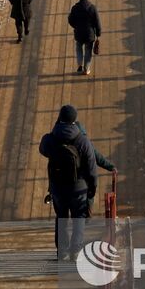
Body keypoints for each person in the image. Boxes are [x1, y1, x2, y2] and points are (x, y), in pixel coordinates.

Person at [39, 104, 101, 260]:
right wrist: (92, 188)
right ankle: (75, 251)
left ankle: (62, 252)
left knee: (61, 218)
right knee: (78, 218)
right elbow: (92, 169)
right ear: (75, 120)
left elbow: (43, 149)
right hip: (78, 188)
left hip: (58, 188)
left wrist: (55, 129)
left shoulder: (50, 139)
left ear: (59, 118)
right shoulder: (82, 141)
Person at [67, 0, 101, 75]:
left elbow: (70, 20)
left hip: (79, 33)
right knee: (88, 51)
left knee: (78, 48)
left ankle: (79, 65)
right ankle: (86, 69)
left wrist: (75, 26)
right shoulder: (92, 8)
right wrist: (98, 33)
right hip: (90, 34)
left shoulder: (75, 8)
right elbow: (97, 22)